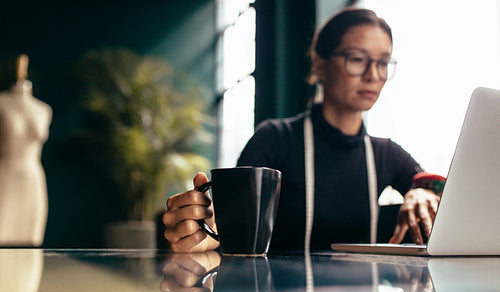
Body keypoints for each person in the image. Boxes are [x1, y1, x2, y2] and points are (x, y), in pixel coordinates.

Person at [163, 7, 440, 253]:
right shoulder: (274, 139)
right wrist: (209, 229)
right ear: (320, 63)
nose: (373, 75)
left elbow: (441, 196)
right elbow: (232, 224)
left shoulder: (386, 153)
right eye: (357, 59)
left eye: (382, 63)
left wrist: (424, 192)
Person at [0, 54, 52, 246]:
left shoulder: (44, 110)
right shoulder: (2, 103)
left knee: (31, 242)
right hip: (5, 175)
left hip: (33, 178)